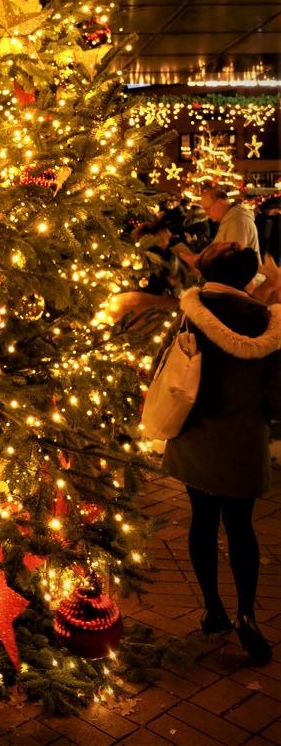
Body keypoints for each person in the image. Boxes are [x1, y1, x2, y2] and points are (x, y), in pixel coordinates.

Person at [153, 242, 281, 662]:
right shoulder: (266, 322)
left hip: (196, 434)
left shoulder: (192, 311)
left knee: (202, 520)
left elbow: (165, 364)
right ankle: (248, 614)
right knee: (241, 528)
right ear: (247, 278)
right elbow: (277, 398)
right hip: (242, 439)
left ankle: (213, 608)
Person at [181, 187, 264, 286]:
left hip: (244, 286)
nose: (206, 213)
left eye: (207, 208)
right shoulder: (230, 220)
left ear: (220, 202)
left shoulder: (237, 222)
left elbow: (231, 262)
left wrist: (197, 261)